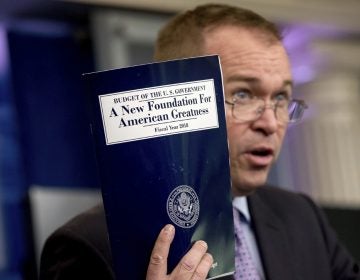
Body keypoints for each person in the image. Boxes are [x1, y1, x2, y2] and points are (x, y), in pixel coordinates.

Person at [40, 3, 360, 280]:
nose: (271, 122)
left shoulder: (301, 216)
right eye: (243, 94)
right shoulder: (88, 245)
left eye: (280, 97)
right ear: (177, 97)